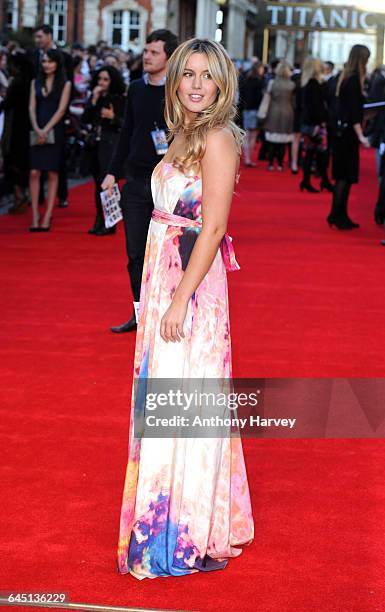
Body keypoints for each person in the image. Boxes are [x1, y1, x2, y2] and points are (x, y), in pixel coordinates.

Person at [115, 37, 254, 580]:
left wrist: (176, 301)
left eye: (206, 75)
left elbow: (213, 226)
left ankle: (190, 527)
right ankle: (172, 513)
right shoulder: (182, 133)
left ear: (222, 83)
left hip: (191, 285)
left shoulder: (218, 138)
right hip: (164, 276)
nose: (196, 84)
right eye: (187, 74)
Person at [102, 29, 179, 333]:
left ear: (168, 57)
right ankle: (140, 313)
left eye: (154, 52)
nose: (146, 56)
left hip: (167, 182)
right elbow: (127, 131)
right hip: (135, 181)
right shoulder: (135, 88)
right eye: (146, 51)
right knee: (135, 252)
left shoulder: (178, 91)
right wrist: (112, 172)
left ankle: (168, 310)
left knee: (165, 252)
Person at [327, 45, 371, 230]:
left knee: (342, 176)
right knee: (345, 176)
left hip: (341, 134)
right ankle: (337, 215)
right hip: (348, 136)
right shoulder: (353, 81)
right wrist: (362, 136)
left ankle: (339, 214)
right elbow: (353, 113)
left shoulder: (344, 78)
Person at [28, 49, 72, 231]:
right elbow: (31, 107)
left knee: (53, 173)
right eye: (44, 61)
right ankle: (35, 215)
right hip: (36, 129)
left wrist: (45, 130)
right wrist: (38, 129)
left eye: (50, 61)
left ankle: (47, 216)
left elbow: (61, 110)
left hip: (55, 131)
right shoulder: (35, 82)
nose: (47, 64)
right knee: (34, 173)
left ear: (57, 64)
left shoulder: (65, 83)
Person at [82, 65, 126, 235]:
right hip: (95, 145)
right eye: (99, 79)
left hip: (110, 146)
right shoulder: (97, 97)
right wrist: (93, 100)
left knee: (107, 184)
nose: (102, 83)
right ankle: (100, 220)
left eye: (106, 79)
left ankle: (110, 223)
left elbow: (125, 123)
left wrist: (112, 117)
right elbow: (86, 119)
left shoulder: (119, 99)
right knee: (96, 184)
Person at [0, 51, 33, 214]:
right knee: (21, 164)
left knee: (13, 164)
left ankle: (19, 197)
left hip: (14, 130)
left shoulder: (17, 83)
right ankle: (21, 196)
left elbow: (7, 104)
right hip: (24, 129)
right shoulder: (29, 82)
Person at [299, 57, 334, 193]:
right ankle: (319, 181)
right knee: (318, 153)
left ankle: (310, 181)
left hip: (310, 123)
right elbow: (317, 106)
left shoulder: (307, 83)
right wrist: (322, 122)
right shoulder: (314, 84)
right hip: (316, 124)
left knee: (312, 154)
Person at [263, 59, 295, 171]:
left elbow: (267, 98)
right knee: (283, 141)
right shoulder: (292, 85)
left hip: (273, 112)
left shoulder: (272, 83)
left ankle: (271, 164)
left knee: (272, 140)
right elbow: (293, 101)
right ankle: (280, 165)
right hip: (288, 112)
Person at [239, 61, 264, 167]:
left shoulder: (246, 79)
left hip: (245, 109)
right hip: (254, 110)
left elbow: (242, 94)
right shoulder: (259, 81)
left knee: (246, 135)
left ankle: (246, 158)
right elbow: (260, 97)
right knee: (253, 136)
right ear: (258, 69)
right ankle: (248, 159)